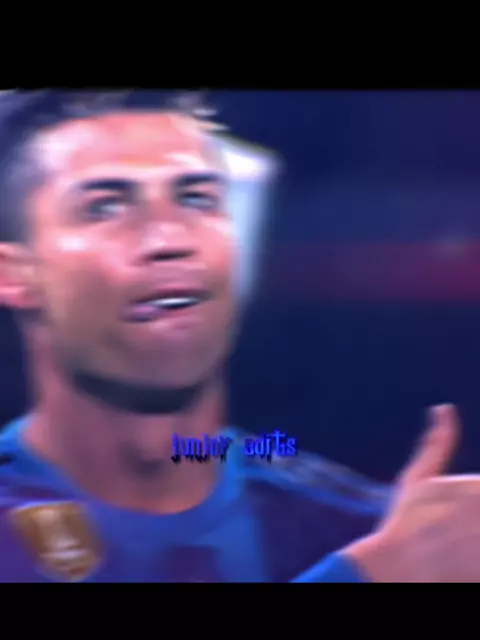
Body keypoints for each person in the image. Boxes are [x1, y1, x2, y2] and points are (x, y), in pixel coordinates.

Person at [0, 90, 475, 583]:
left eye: (196, 198)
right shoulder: (382, 563)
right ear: (14, 274)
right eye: (105, 207)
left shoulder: (356, 526)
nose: (170, 239)